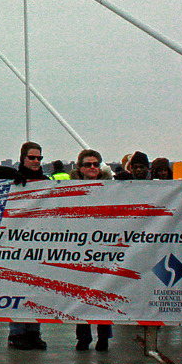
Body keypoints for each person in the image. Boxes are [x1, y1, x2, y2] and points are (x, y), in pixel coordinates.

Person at [70, 149, 113, 351]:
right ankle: (83, 336)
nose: (92, 168)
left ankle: (104, 337)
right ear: (80, 167)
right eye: (88, 165)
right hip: (79, 246)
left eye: (96, 164)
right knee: (82, 293)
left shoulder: (112, 187)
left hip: (105, 245)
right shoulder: (69, 188)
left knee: (104, 291)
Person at [7, 141, 49, 350]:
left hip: (39, 244)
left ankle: (34, 332)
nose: (35, 162)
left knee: (36, 289)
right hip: (16, 244)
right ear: (23, 158)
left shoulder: (46, 182)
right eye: (31, 158)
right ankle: (16, 333)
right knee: (18, 287)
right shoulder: (13, 181)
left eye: (39, 158)